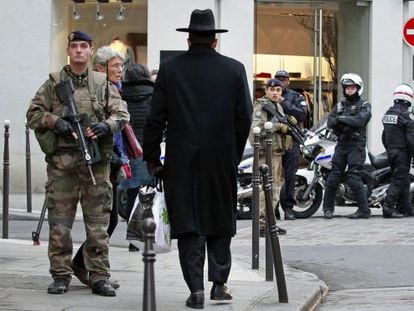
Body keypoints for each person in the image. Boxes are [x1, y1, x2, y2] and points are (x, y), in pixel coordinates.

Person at [143, 9, 252, 309]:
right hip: (221, 158)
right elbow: (244, 117)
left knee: (189, 223)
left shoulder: (170, 69)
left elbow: (155, 119)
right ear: (215, 41)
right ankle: (219, 284)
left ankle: (196, 290)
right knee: (220, 217)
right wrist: (233, 150)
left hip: (182, 159)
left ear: (189, 39)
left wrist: (152, 157)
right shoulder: (234, 69)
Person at [26, 31, 129, 296]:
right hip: (63, 164)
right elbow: (34, 113)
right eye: (74, 46)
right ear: (69, 51)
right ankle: (61, 274)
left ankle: (98, 275)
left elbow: (121, 114)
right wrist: (55, 122)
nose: (79, 51)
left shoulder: (102, 83)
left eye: (84, 46)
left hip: (94, 163)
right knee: (60, 224)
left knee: (98, 223)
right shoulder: (54, 83)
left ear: (91, 50)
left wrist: (104, 126)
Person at [70, 46, 127, 290]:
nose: (120, 70)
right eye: (115, 66)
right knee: (105, 219)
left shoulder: (115, 90)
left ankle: (88, 266)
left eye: (121, 66)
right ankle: (88, 267)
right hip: (99, 162)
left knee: (109, 219)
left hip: (112, 161)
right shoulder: (97, 89)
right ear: (101, 67)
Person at [322, 73, 371, 219]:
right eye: (347, 87)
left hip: (356, 145)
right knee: (333, 177)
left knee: (353, 177)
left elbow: (360, 121)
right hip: (342, 144)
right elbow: (330, 122)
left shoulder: (364, 105)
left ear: (358, 88)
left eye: (352, 87)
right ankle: (328, 209)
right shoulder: (339, 105)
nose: (349, 90)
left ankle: (364, 210)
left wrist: (341, 119)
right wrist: (345, 120)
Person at [250, 79, 293, 237]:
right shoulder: (262, 107)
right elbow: (257, 128)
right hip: (265, 152)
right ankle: (262, 224)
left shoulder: (278, 106)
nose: (275, 93)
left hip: (276, 152)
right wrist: (277, 127)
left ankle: (270, 222)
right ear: (266, 90)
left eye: (278, 90)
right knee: (266, 188)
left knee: (275, 188)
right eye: (272, 90)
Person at [120, 63, 155, 252]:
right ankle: (147, 234)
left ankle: (132, 238)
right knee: (148, 193)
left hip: (128, 148)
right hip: (147, 150)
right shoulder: (154, 94)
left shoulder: (121, 94)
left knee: (131, 194)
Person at [274, 70, 308, 220]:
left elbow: (301, 114)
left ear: (288, 81)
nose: (281, 82)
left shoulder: (296, 96)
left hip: (290, 140)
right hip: (273, 140)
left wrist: (283, 102)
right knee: (272, 176)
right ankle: (272, 208)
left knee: (290, 175)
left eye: (284, 79)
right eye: (278, 79)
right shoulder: (268, 97)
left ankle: (288, 207)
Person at [381, 84, 414, 218]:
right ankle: (388, 207)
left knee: (404, 180)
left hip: (391, 152)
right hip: (402, 153)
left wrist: (389, 149)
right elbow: (411, 139)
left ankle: (405, 208)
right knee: (398, 180)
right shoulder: (407, 116)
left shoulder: (388, 113)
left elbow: (384, 136)